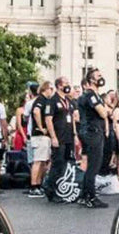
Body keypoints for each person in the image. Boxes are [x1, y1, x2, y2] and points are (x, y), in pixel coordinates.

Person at [73, 68, 110, 209]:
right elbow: (103, 113)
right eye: (98, 76)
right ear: (91, 80)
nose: (101, 78)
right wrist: (106, 110)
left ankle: (84, 195)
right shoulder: (91, 95)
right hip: (92, 132)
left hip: (90, 132)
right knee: (94, 166)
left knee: (91, 165)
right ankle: (91, 197)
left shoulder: (93, 95)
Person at [44, 75, 77, 203]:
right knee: (57, 163)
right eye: (66, 83)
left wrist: (74, 135)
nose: (68, 85)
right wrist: (53, 137)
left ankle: (60, 188)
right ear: (59, 86)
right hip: (59, 137)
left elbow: (72, 118)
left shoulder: (68, 101)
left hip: (68, 137)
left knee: (65, 163)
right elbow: (48, 119)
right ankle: (49, 188)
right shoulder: (53, 100)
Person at [27, 80, 57, 198]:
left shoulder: (45, 101)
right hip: (39, 135)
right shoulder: (40, 100)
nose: (52, 91)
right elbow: (36, 112)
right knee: (38, 161)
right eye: (50, 89)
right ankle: (33, 186)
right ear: (45, 89)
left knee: (43, 161)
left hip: (43, 136)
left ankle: (38, 184)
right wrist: (41, 127)